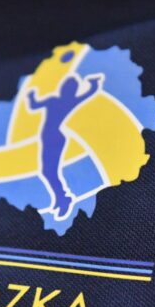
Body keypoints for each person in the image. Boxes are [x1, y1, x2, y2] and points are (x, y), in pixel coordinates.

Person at [27, 74, 103, 219]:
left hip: (55, 138)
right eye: (66, 86)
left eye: (70, 88)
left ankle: (63, 198)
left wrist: (94, 83)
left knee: (49, 171)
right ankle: (60, 198)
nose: (66, 89)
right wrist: (31, 96)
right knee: (46, 171)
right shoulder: (55, 100)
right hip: (47, 138)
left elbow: (88, 94)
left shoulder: (67, 101)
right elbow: (34, 105)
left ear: (72, 91)